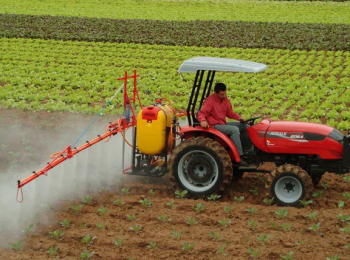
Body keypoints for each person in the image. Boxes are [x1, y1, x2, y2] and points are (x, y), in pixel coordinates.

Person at [197, 82, 251, 166]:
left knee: (245, 126)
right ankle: (239, 156)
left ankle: (246, 150)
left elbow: (229, 113)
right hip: (214, 125)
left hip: (223, 123)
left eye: (225, 93)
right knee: (234, 130)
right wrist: (203, 121)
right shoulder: (210, 101)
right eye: (222, 94)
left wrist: (239, 118)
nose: (224, 96)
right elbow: (202, 113)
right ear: (216, 93)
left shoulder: (224, 99)